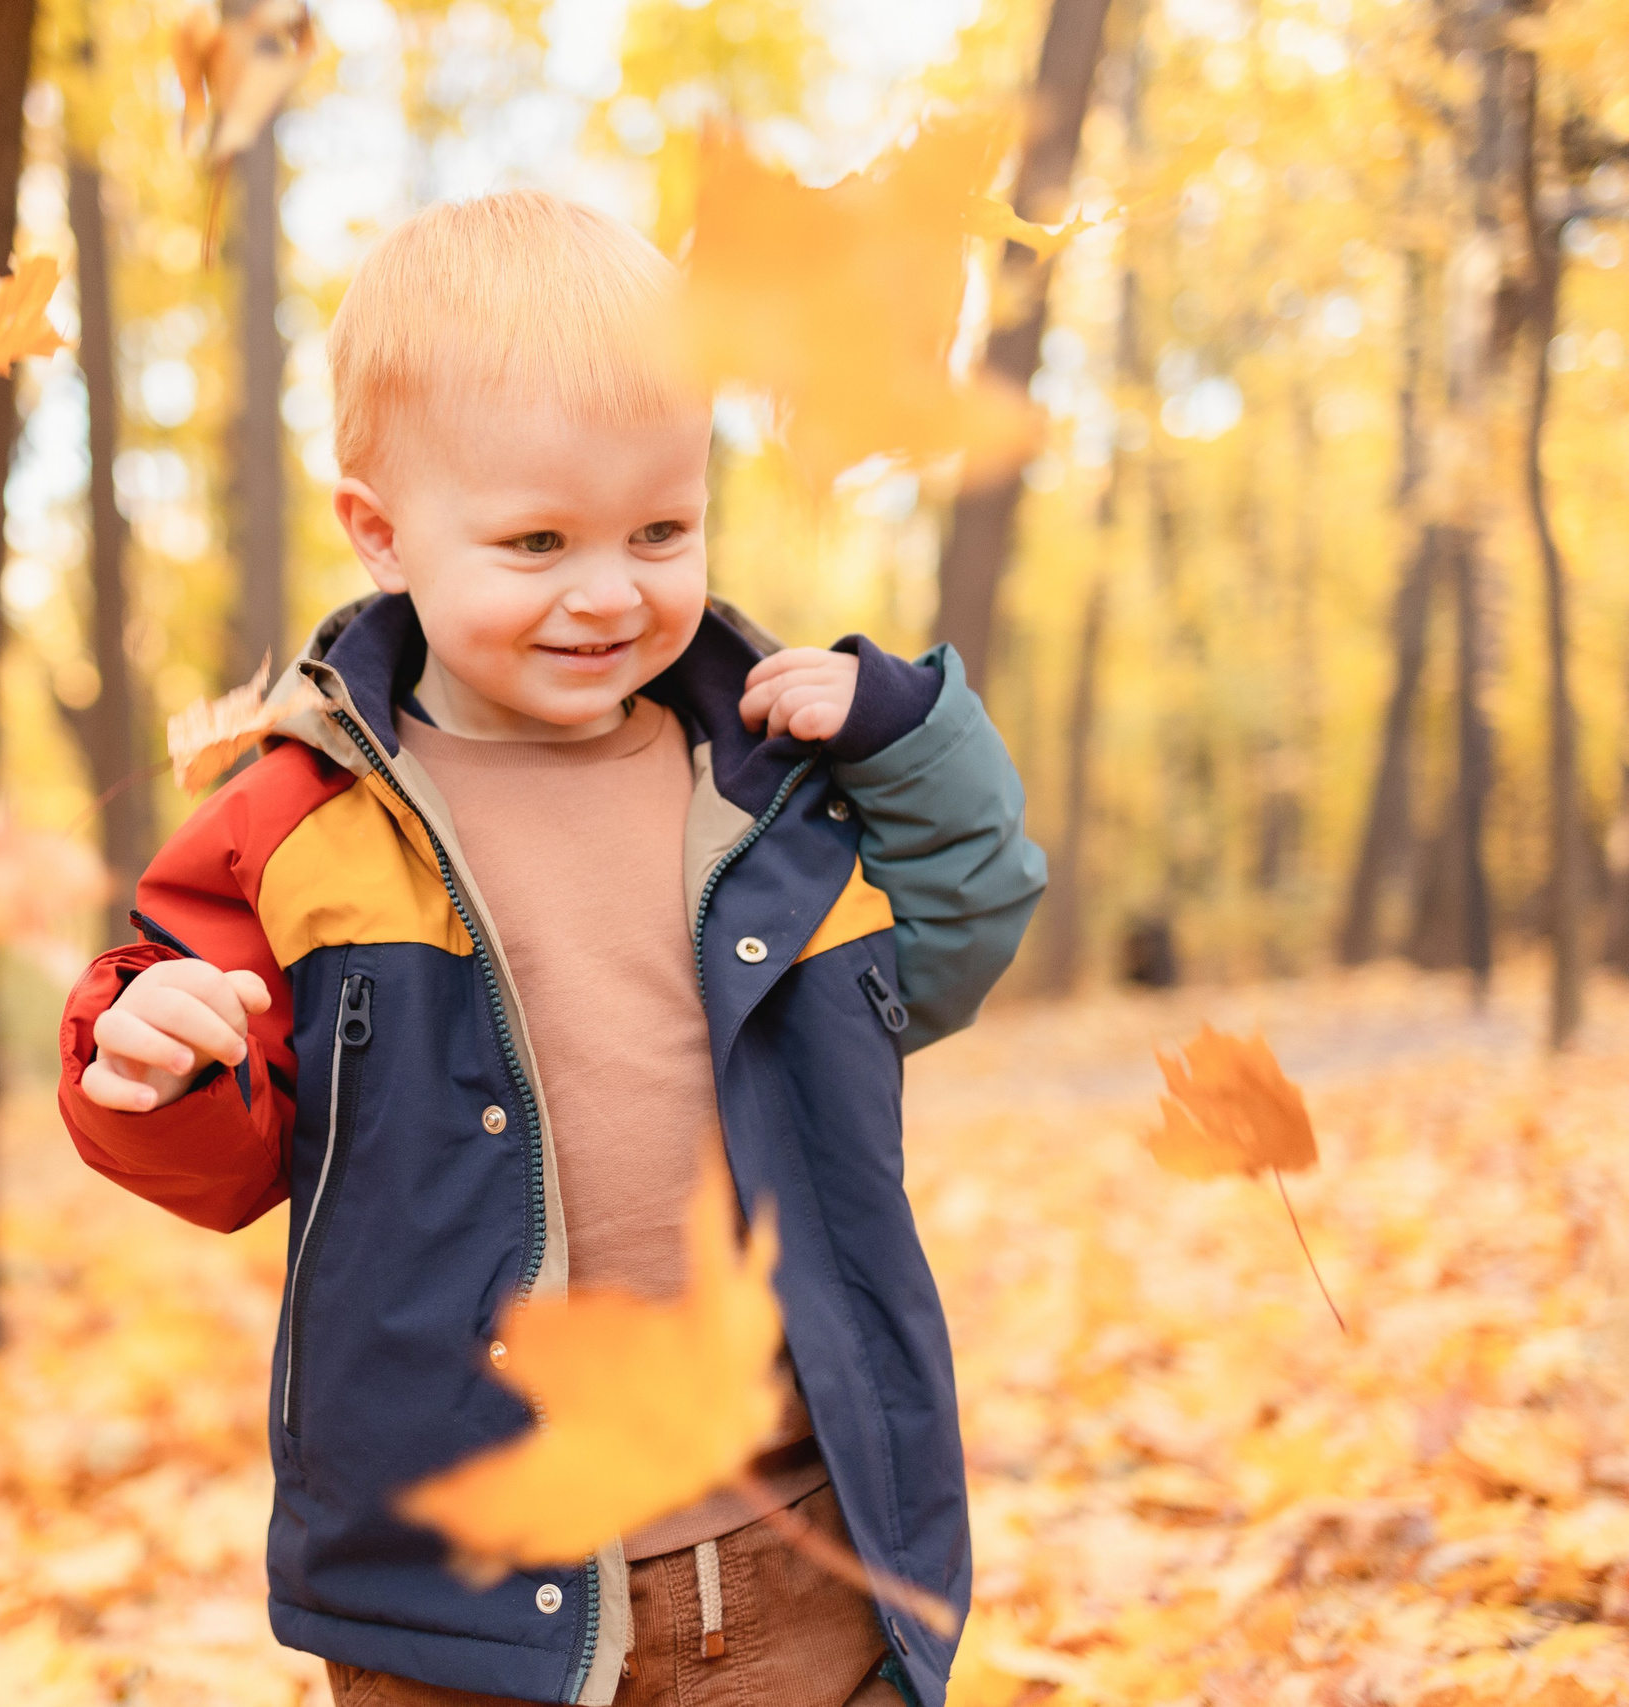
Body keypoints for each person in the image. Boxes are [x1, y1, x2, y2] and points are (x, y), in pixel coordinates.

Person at [56, 190, 1045, 1707]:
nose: (608, 590)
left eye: (661, 531)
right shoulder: (302, 824)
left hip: (799, 1547)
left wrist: (917, 749)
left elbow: (952, 945)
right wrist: (152, 1058)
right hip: (457, 1599)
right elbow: (226, 1155)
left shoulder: (770, 795)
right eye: (536, 541)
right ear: (381, 534)